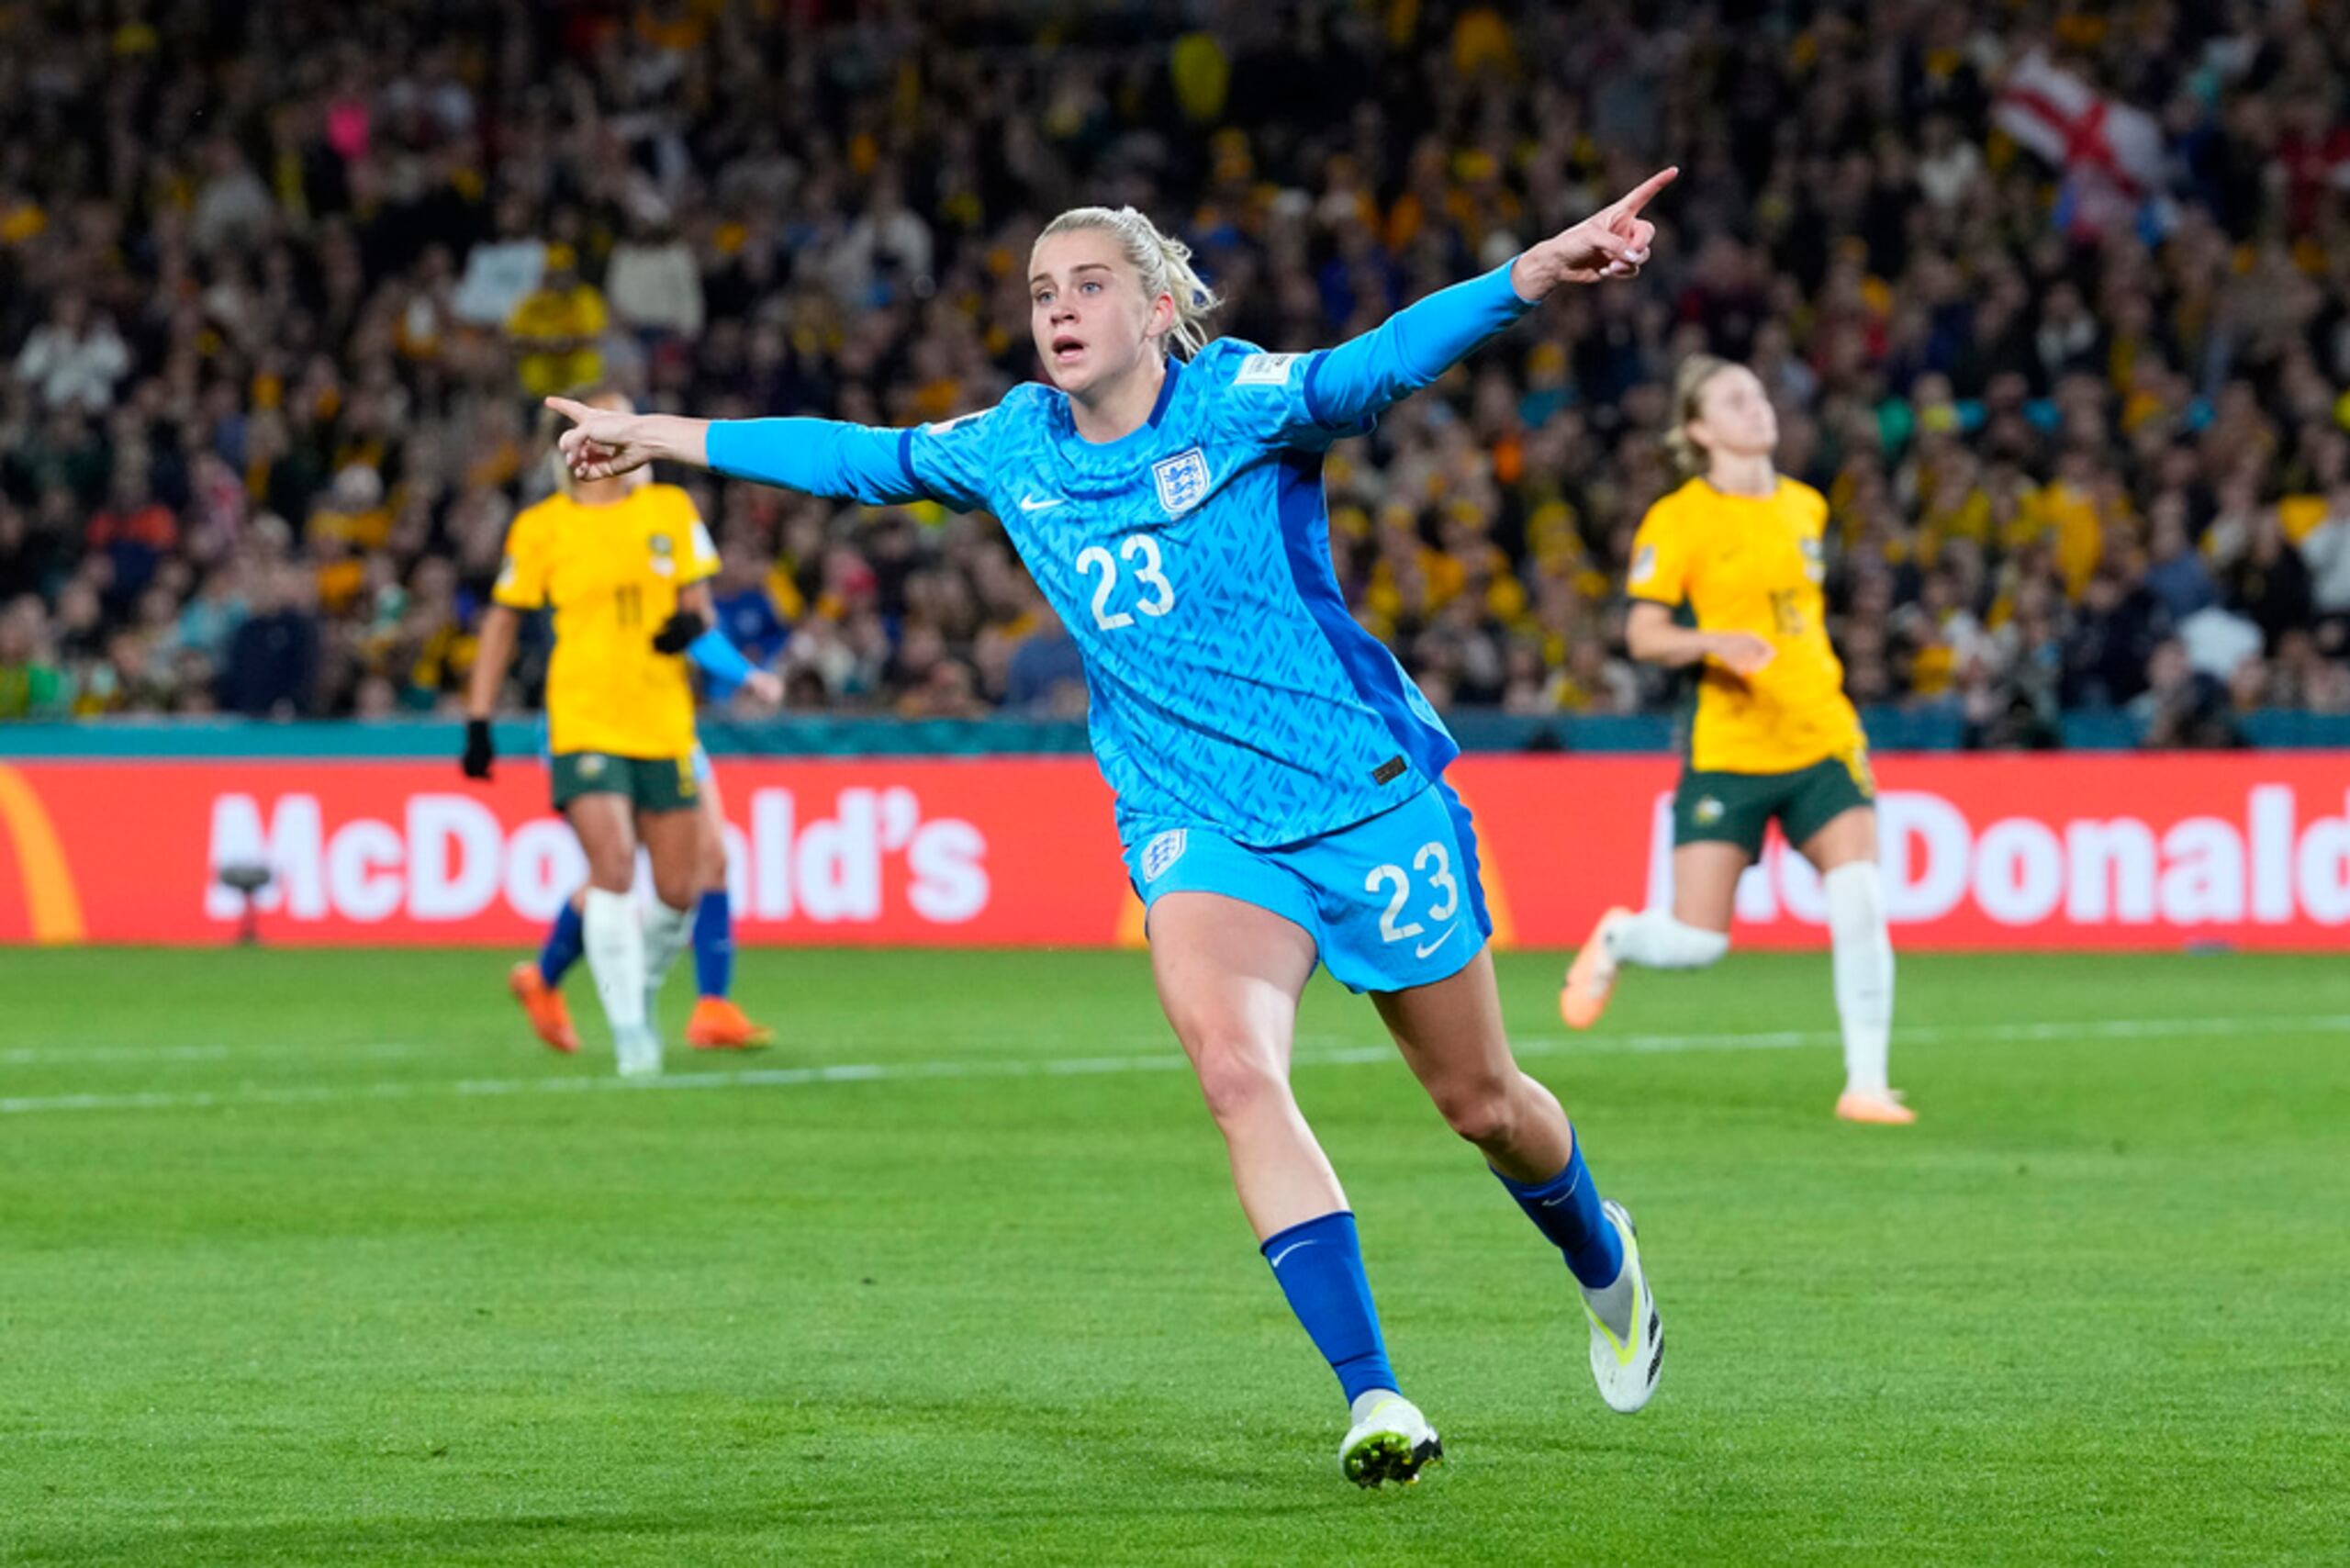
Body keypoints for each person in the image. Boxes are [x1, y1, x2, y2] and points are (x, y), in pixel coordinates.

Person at [545, 172, 1678, 1488]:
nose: (1059, 310)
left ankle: (1604, 1256)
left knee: (1482, 1104)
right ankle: (1376, 1396)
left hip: (1364, 797)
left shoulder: (1240, 401)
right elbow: (852, 455)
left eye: (1089, 286)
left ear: (1155, 306)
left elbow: (1374, 369)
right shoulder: (1015, 446)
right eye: (1040, 292)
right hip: (1196, 824)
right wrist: (661, 435)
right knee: (1238, 1075)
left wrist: (1526, 275)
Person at [1559, 356, 1909, 1126]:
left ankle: (1868, 1084)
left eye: (1760, 393)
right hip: (1729, 746)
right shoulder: (1677, 519)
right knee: (1695, 941)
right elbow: (1644, 634)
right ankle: (1618, 935)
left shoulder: (1807, 506)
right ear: (1698, 429)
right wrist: (1716, 641)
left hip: (1821, 730)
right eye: (1735, 400)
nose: (1758, 407)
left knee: (1858, 891)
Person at [464, 387, 721, 1078]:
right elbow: (502, 622)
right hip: (581, 717)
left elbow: (700, 609)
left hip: (663, 720)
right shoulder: (542, 528)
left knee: (676, 891)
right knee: (610, 870)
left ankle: (633, 988)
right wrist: (479, 719)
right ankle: (632, 1033)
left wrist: (691, 628)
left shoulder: (671, 509)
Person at [509, 621, 783, 1056]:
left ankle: (713, 1007)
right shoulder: (588, 562)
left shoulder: (673, 558)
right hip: (591, 720)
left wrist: (744, 674)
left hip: (663, 719)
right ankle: (544, 980)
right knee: (615, 870)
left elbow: (692, 620)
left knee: (713, 859)